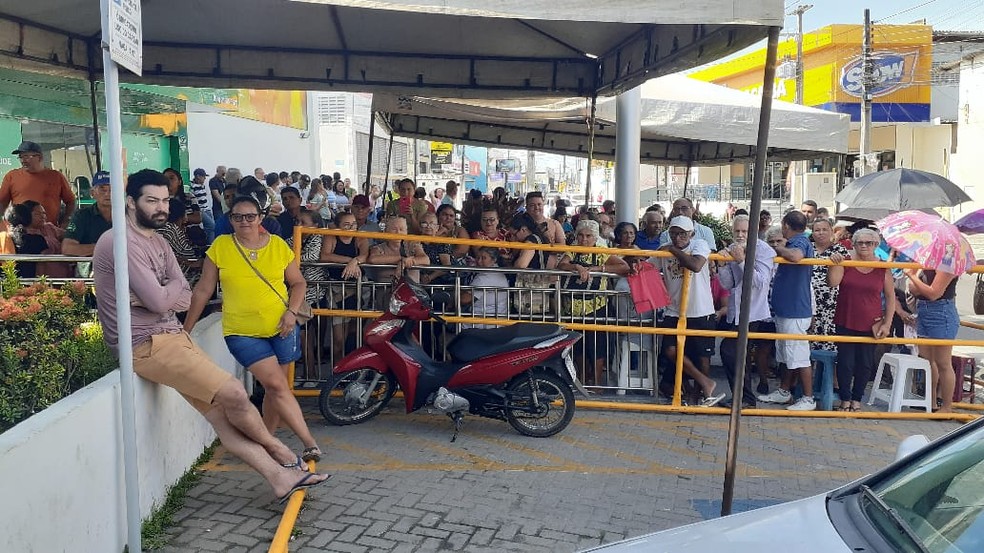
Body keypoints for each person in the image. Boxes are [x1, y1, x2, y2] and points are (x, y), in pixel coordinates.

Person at [93, 169, 328, 505]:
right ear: (130, 202)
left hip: (169, 336)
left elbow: (186, 296)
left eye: (164, 200)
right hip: (145, 343)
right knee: (234, 393)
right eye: (151, 200)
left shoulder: (157, 241)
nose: (160, 207)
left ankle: (280, 478)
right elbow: (166, 299)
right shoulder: (120, 242)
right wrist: (163, 294)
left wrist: (161, 294)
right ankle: (285, 456)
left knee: (222, 416)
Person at [183, 195, 323, 463]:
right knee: (275, 384)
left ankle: (268, 440)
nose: (244, 221)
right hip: (241, 330)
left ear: (260, 218)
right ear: (230, 220)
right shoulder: (221, 247)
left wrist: (291, 313)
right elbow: (203, 289)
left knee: (276, 389)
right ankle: (309, 442)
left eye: (250, 216)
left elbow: (298, 283)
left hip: (282, 325)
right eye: (238, 217)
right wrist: (186, 329)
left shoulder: (279, 246)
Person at [650, 216, 725, 407]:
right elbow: (648, 267)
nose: (678, 237)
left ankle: (701, 395)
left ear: (691, 233)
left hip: (701, 309)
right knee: (671, 351)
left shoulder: (699, 244)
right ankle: (703, 385)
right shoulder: (663, 250)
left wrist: (673, 250)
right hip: (674, 310)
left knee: (703, 356)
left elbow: (696, 265)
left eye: (682, 233)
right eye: (674, 233)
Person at [827, 228, 895, 412]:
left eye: (869, 243)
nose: (864, 246)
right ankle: (845, 399)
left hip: (871, 322)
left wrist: (887, 324)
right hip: (846, 318)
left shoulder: (883, 268)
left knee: (865, 363)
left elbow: (890, 297)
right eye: (860, 242)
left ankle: (857, 399)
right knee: (845, 362)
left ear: (876, 245)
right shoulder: (845, 261)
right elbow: (832, 282)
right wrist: (834, 263)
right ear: (854, 244)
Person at [557, 220, 629, 391]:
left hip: (596, 307)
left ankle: (596, 382)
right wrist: (576, 266)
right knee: (578, 345)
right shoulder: (572, 249)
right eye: (581, 235)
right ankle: (581, 379)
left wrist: (598, 269)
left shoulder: (601, 251)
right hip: (572, 308)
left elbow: (624, 266)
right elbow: (561, 265)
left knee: (597, 345)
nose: (584, 239)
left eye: (588, 236)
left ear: (595, 237)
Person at [757, 211, 817, 411]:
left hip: (796, 311)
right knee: (786, 354)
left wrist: (779, 249)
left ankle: (808, 398)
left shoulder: (799, 242)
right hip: (786, 309)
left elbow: (796, 257)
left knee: (799, 355)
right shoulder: (796, 241)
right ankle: (784, 391)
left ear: (786, 226)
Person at [716, 215, 776, 409]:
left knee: (731, 350)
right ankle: (742, 398)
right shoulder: (732, 248)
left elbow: (759, 283)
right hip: (737, 311)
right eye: (737, 231)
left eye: (744, 231)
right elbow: (728, 284)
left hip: (754, 311)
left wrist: (741, 261)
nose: (740, 235)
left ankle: (746, 398)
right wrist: (722, 265)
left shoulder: (764, 250)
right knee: (735, 353)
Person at [904, 260, 961, 413]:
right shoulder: (925, 261)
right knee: (927, 360)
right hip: (924, 309)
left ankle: (947, 406)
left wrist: (911, 275)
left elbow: (934, 293)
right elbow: (913, 290)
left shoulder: (948, 264)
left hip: (941, 311)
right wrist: (914, 276)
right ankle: (931, 401)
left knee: (943, 362)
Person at [320, 211, 368, 362]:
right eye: (346, 225)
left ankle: (351, 370)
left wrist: (354, 262)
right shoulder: (331, 236)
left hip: (357, 289)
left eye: (353, 224)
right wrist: (349, 260)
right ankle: (337, 373)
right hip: (336, 289)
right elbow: (325, 256)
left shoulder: (360, 237)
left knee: (354, 333)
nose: (351, 228)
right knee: (339, 338)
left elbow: (364, 255)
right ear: (337, 226)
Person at [287, 209, 329, 379]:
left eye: (303, 222)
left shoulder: (317, 237)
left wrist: (290, 260)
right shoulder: (294, 239)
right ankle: (307, 373)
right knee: (303, 335)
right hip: (298, 294)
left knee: (307, 336)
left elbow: (310, 257)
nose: (298, 225)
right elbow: (282, 250)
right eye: (297, 221)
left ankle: (310, 374)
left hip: (314, 294)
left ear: (315, 226)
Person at [0, 141, 75, 229]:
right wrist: (3, 225)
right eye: (20, 157)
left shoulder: (56, 176)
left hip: (49, 231)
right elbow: (2, 203)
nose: (23, 160)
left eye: (27, 157)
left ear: (39, 157)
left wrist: (66, 220)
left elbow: (71, 201)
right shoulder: (12, 176)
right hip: (21, 232)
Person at [809, 218, 850, 353]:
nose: (821, 233)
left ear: (831, 232)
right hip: (808, 300)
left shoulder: (839, 250)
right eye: (817, 230)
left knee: (827, 340)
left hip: (831, 302)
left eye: (824, 229)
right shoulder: (807, 248)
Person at [5, 200, 71, 278]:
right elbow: (40, 268)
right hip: (41, 279)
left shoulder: (49, 228)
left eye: (44, 213)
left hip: (62, 273)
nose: (43, 216)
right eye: (38, 214)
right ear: (27, 216)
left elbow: (69, 236)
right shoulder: (27, 238)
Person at [460, 247, 510, 329]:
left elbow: (464, 300)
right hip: (497, 321)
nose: (479, 261)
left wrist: (454, 296)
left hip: (484, 323)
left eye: (484, 258)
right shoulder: (497, 272)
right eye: (478, 257)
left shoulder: (485, 277)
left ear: (494, 260)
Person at [417, 211, 453, 285]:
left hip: (441, 281)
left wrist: (430, 277)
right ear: (420, 227)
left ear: (437, 228)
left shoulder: (442, 243)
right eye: (424, 223)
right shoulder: (414, 243)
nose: (428, 226)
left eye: (432, 224)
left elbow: (446, 265)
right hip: (418, 279)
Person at [190, 168, 215, 244]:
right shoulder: (192, 186)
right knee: (211, 225)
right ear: (198, 176)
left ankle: (211, 243)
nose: (204, 179)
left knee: (212, 228)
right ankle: (208, 243)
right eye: (203, 176)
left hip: (207, 209)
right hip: (201, 210)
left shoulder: (202, 185)